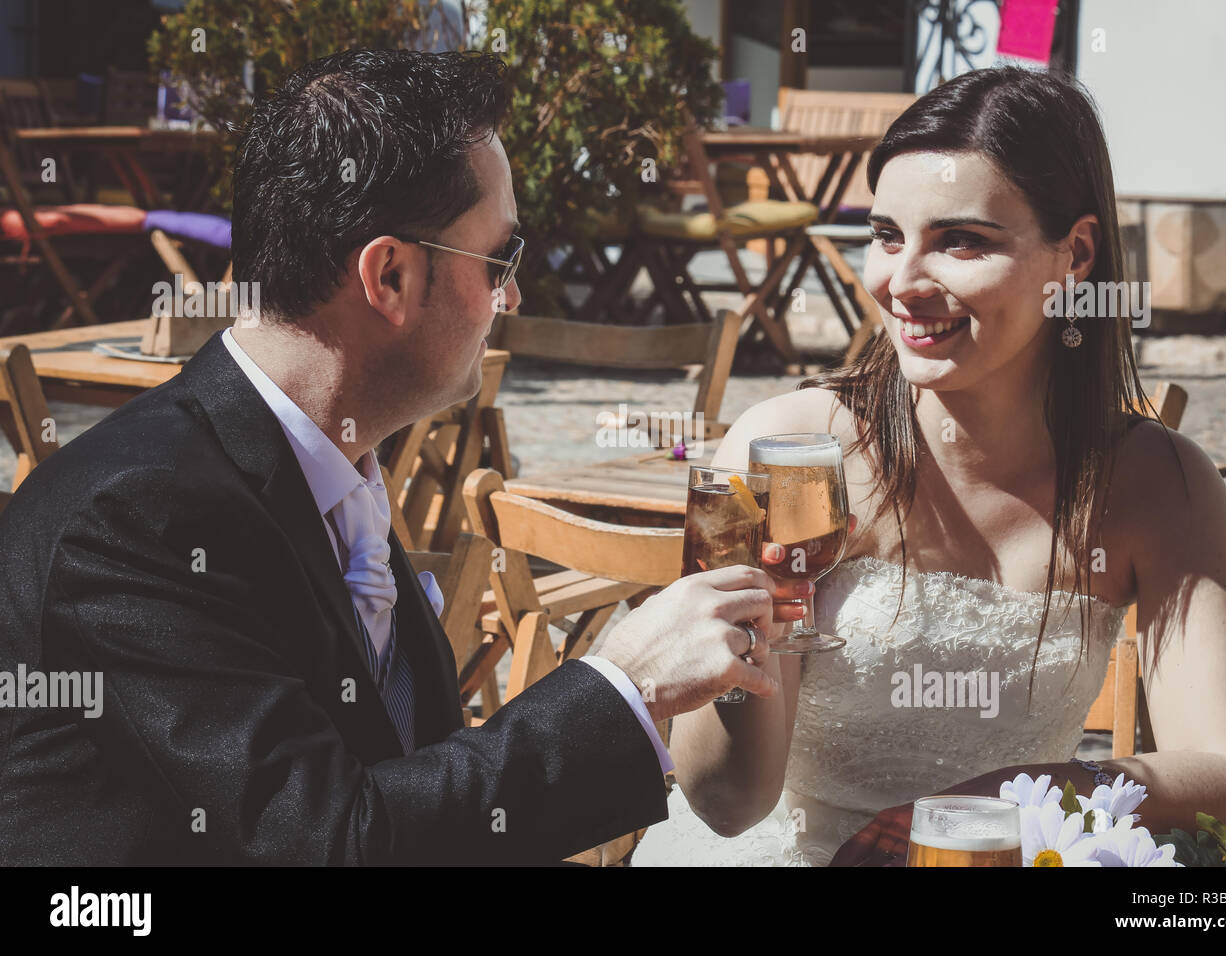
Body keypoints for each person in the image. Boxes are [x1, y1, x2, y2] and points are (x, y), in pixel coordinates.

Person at [0, 49, 803, 865]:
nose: (513, 298)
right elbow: (330, 842)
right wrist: (627, 682)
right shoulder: (137, 512)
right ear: (389, 275)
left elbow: (396, 779)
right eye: (501, 261)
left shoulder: (322, 458)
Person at [631, 66, 1226, 866]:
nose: (900, 284)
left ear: (1074, 254)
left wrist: (1010, 796)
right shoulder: (783, 452)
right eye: (886, 235)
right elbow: (729, 803)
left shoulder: (1160, 483)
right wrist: (753, 648)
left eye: (961, 241)